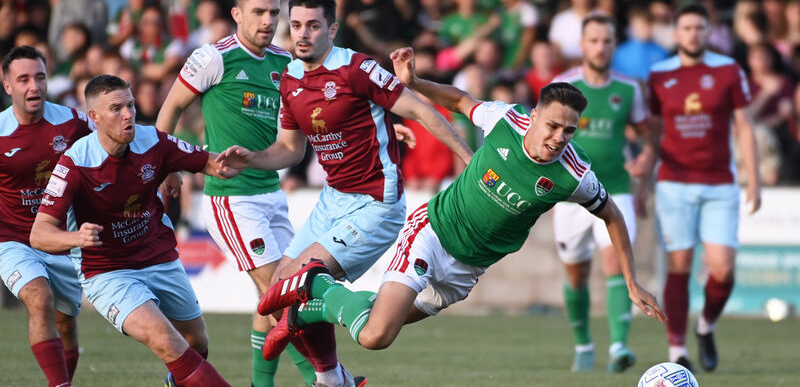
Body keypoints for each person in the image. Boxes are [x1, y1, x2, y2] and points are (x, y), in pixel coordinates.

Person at [251, 48, 666, 364]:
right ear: (535, 114)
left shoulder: (574, 174)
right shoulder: (507, 120)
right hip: (433, 233)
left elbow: (612, 214)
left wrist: (631, 281)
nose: (558, 137)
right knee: (376, 336)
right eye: (553, 125)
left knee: (377, 318)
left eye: (569, 131)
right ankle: (316, 284)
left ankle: (304, 314)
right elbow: (459, 100)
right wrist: (415, 81)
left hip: (467, 269)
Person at [218, 0, 472, 387]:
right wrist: (250, 158)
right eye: (296, 25)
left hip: (375, 203)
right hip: (331, 201)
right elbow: (289, 150)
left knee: (295, 287)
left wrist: (469, 160)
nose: (303, 34)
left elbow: (422, 110)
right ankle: (330, 379)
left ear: (332, 30)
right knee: (272, 302)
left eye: (313, 25)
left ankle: (333, 366)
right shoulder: (291, 78)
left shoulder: (356, 69)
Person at [156, 0, 320, 387]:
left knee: (272, 299)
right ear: (236, 14)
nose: (267, 21)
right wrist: (168, 167)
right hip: (231, 200)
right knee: (285, 295)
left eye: (273, 13)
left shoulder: (285, 64)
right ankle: (327, 378)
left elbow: (300, 135)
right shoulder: (214, 57)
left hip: (272, 194)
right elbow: (170, 109)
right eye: (258, 12)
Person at [30, 74, 240, 387]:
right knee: (166, 340)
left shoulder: (153, 140)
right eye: (116, 109)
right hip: (108, 271)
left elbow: (209, 162)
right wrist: (76, 238)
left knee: (196, 343)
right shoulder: (74, 163)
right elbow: (39, 234)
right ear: (94, 117)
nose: (128, 114)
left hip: (158, 255)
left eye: (130, 105)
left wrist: (233, 163)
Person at [647, 3, 760, 372]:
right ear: (675, 33)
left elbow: (744, 126)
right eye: (686, 28)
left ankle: (706, 326)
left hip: (719, 182)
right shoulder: (659, 74)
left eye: (699, 28)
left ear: (709, 32)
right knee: (679, 264)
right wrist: (643, 177)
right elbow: (652, 132)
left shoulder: (728, 69)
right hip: (674, 182)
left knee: (722, 268)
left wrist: (754, 179)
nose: (692, 34)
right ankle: (677, 351)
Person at [551, 14, 655, 373]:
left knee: (617, 264)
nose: (600, 47)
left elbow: (647, 135)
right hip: (570, 194)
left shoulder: (628, 89)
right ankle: (583, 345)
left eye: (607, 41)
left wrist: (645, 158)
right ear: (582, 44)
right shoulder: (563, 86)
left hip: (615, 190)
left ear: (615, 45)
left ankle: (618, 347)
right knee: (576, 275)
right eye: (594, 40)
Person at [0, 46, 93, 387]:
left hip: (62, 240)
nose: (34, 86)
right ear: (7, 85)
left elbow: (115, 142)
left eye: (40, 77)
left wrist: (167, 169)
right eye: (23, 79)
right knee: (39, 299)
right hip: (13, 240)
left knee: (65, 324)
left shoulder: (72, 123)